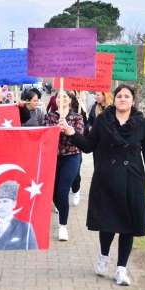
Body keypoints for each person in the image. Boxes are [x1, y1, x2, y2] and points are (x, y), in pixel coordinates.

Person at [59, 84, 145, 286]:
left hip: (131, 179)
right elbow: (89, 146)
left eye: (127, 96)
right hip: (106, 178)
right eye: (119, 96)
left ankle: (121, 269)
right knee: (107, 224)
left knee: (128, 226)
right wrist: (72, 132)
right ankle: (104, 257)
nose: (123, 99)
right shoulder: (102, 120)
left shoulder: (142, 123)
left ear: (133, 101)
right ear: (114, 99)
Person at [45, 90, 84, 242]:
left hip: (72, 156)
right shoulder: (49, 116)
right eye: (59, 96)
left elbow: (79, 135)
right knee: (53, 192)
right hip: (52, 157)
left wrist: (68, 128)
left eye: (65, 97)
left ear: (70, 100)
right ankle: (61, 207)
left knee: (62, 190)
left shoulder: (77, 116)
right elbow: (45, 135)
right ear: (55, 100)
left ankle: (63, 226)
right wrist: (54, 129)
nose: (62, 99)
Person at [0, 181, 38, 250]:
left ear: (14, 203)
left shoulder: (25, 227)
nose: (1, 206)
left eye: (5, 201)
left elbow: (32, 250)